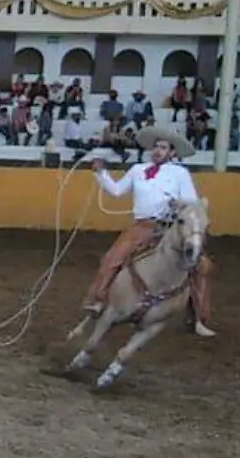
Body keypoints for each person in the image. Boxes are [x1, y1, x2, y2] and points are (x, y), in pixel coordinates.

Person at [84, 137, 214, 337]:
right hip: (142, 226)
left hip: (171, 228)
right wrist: (101, 173)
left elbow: (191, 202)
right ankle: (98, 300)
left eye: (163, 147)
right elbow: (117, 191)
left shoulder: (180, 173)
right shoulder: (138, 170)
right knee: (113, 258)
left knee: (199, 266)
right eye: (155, 146)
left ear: (172, 153)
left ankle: (198, 318)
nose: (157, 151)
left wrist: (176, 203)